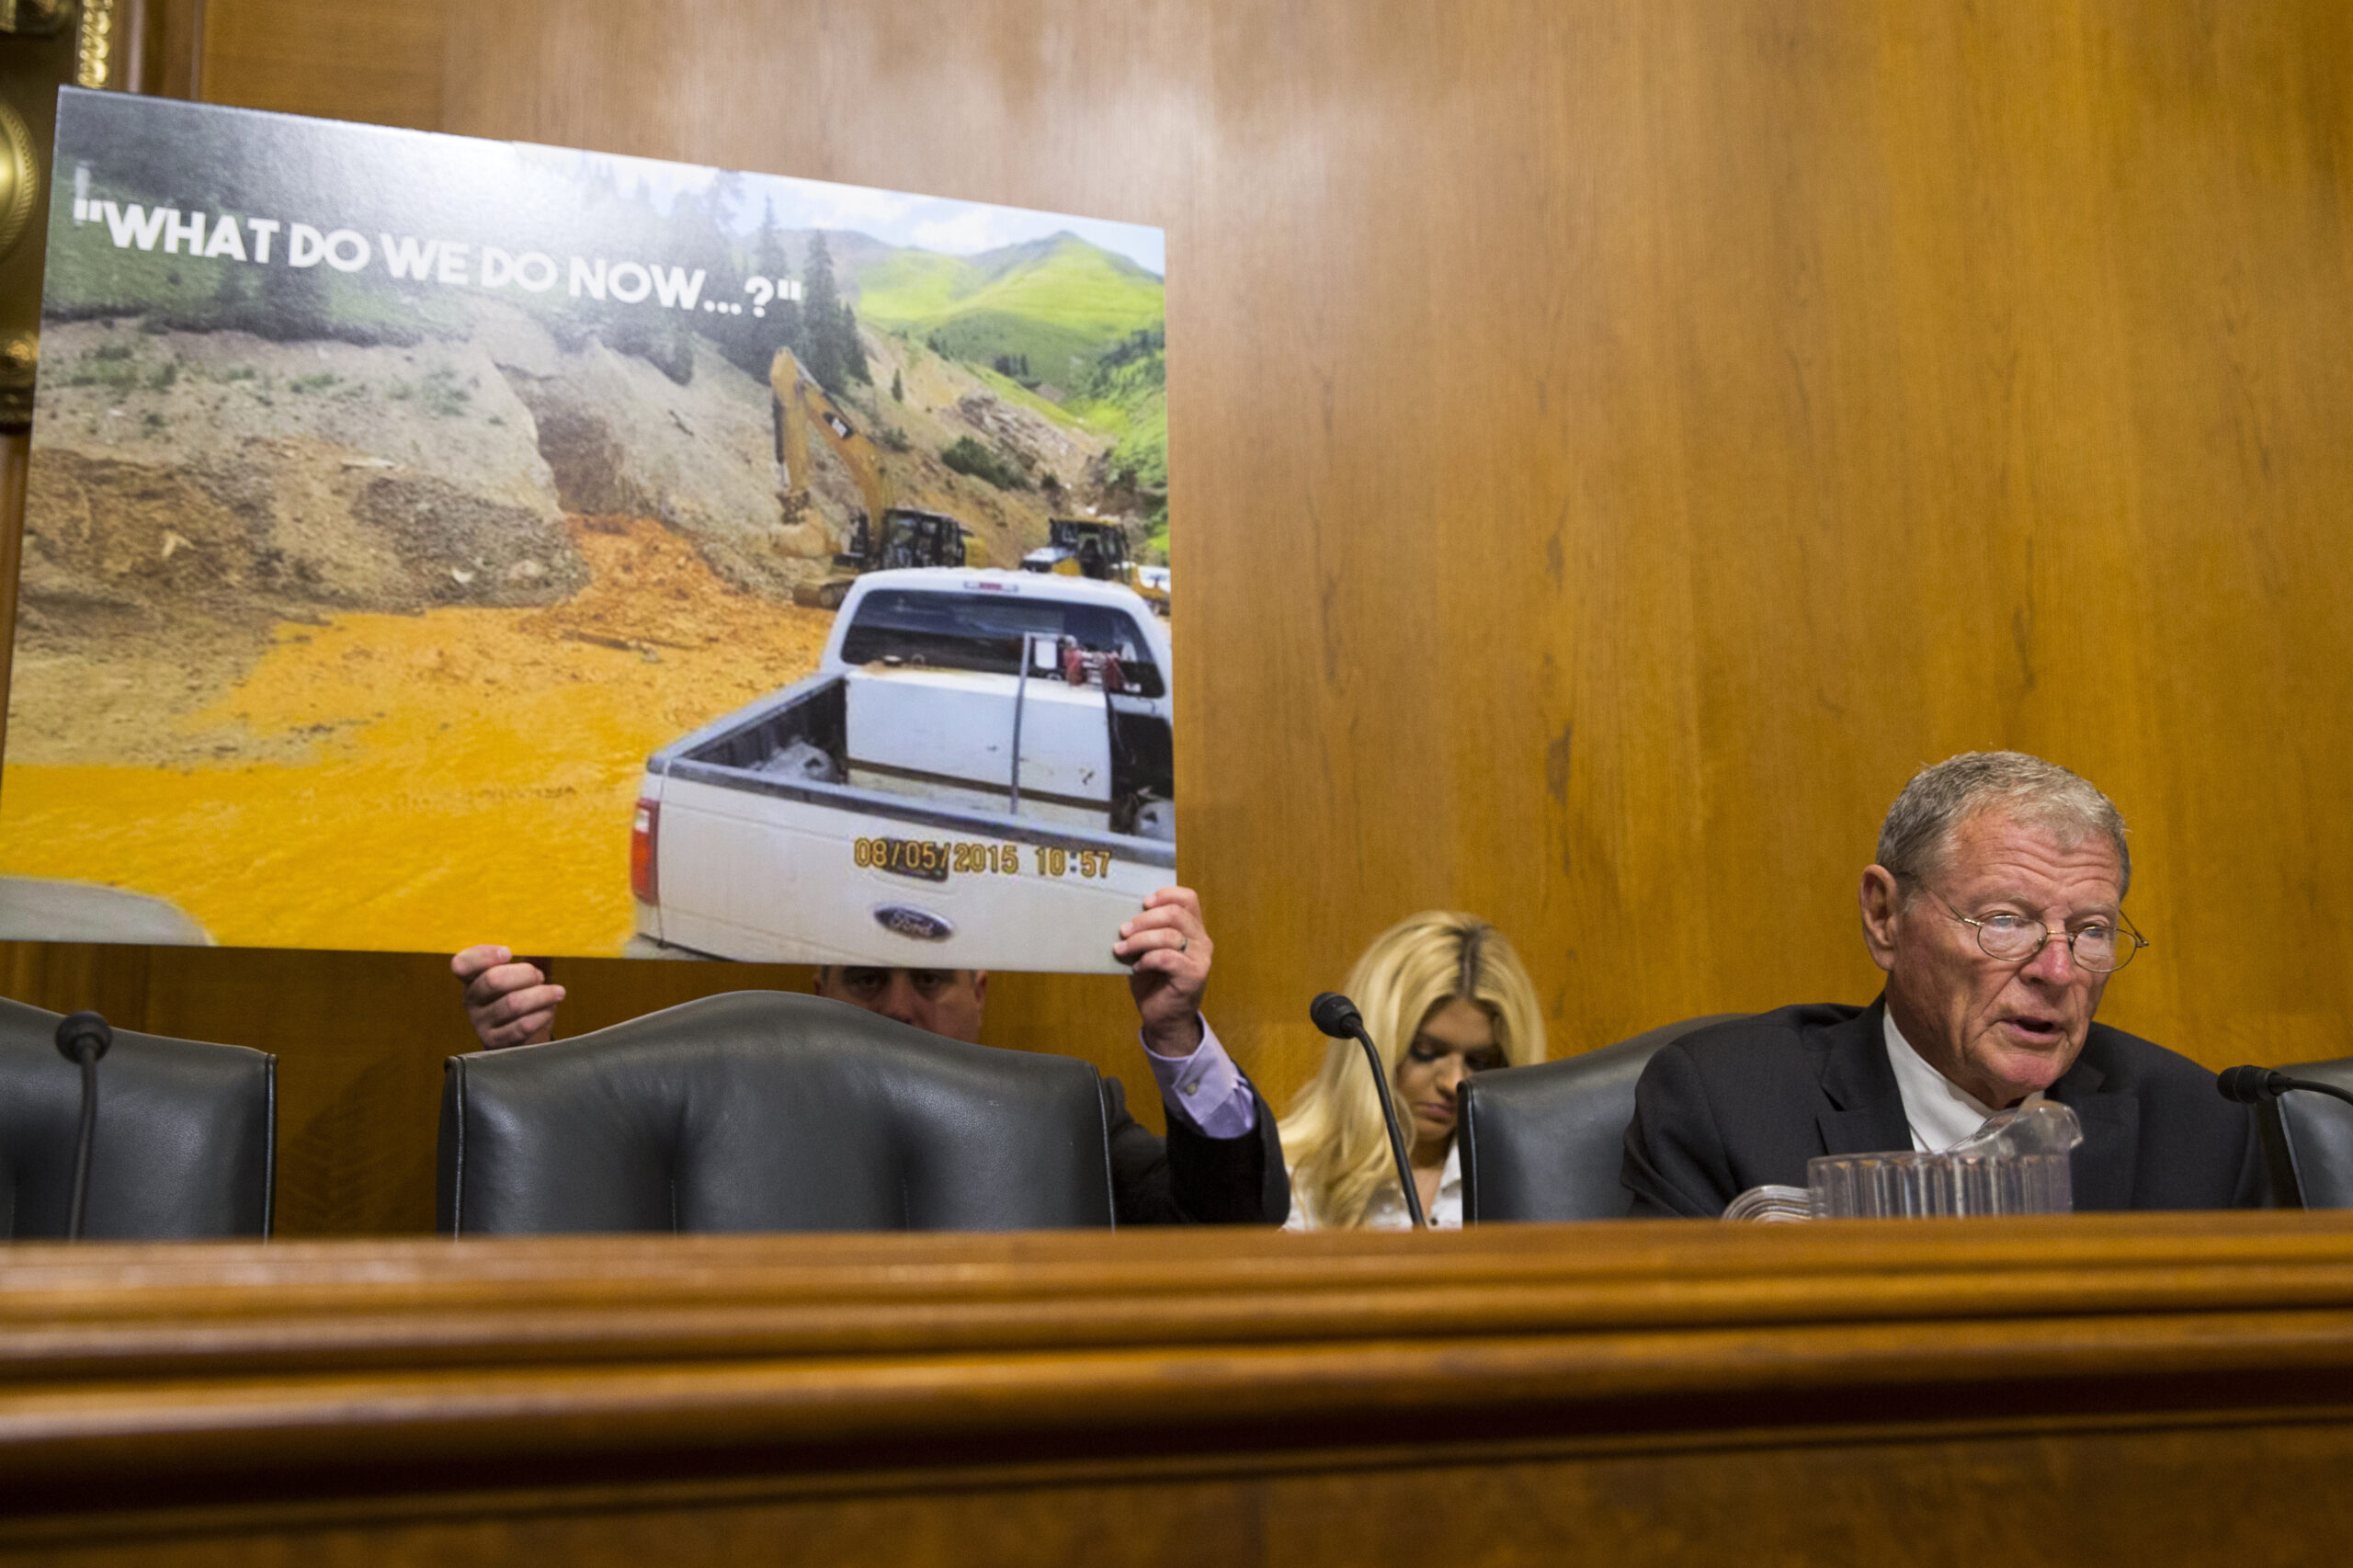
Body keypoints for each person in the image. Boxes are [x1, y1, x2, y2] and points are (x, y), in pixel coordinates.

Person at [1622, 751, 2263, 1217]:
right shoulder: (1730, 1105)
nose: (2058, 971)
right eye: (2005, 921)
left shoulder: (2198, 1126)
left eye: (2091, 930)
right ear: (1885, 917)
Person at [451, 885, 1288, 1226]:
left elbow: (1225, 1227)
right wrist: (532, 1069)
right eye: (864, 979)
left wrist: (1176, 1035)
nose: (896, 1006)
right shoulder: (695, 1121)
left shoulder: (1061, 1121)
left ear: (980, 992)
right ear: (818, 990)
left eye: (930, 980)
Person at [1279, 912, 1546, 1229]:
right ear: (1380, 1042)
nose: (1454, 1082)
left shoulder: (1529, 1182)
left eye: (1481, 1061)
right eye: (1426, 1052)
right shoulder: (1289, 1180)